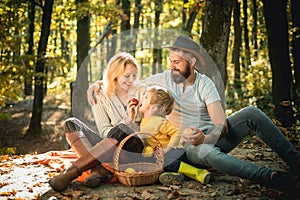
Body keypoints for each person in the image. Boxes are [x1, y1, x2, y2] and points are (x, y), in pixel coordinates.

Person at [88, 36, 300, 194]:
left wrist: (205, 137)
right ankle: (271, 177)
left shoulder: (205, 84)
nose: (172, 66)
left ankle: (295, 163)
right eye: (170, 61)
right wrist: (98, 84)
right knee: (207, 152)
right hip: (187, 144)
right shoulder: (164, 79)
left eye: (177, 62)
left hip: (211, 136)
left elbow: (222, 125)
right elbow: (128, 81)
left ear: (192, 62)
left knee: (251, 113)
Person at [49, 52, 147, 192]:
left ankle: (72, 172)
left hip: (133, 147)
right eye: (127, 76)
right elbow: (104, 131)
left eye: (135, 75)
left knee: (123, 130)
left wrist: (127, 122)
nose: (131, 80)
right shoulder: (101, 95)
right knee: (71, 124)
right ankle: (98, 170)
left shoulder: (143, 91)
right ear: (115, 74)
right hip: (108, 145)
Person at [137, 86, 211, 185]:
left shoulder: (159, 121)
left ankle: (198, 173)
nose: (142, 97)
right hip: (161, 154)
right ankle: (178, 175)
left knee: (165, 161)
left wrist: (167, 149)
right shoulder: (143, 121)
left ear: (155, 108)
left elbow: (177, 133)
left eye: (146, 97)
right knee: (154, 162)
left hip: (175, 151)